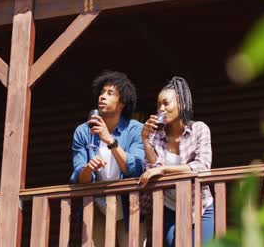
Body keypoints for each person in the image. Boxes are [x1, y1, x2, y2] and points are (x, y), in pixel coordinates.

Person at [70, 71, 146, 246]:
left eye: (110, 93)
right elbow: (78, 177)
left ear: (122, 103)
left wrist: (109, 140)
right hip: (96, 204)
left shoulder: (135, 129)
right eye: (102, 92)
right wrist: (88, 169)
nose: (102, 97)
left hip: (130, 204)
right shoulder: (83, 131)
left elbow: (134, 169)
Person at [139, 76, 214, 247]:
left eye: (166, 103)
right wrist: (145, 140)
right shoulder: (155, 136)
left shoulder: (199, 129)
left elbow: (202, 167)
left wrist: (164, 170)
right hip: (170, 206)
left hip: (200, 206)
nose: (161, 109)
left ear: (182, 103)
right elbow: (152, 169)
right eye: (158, 105)